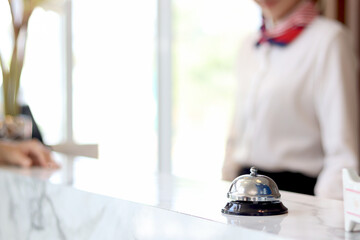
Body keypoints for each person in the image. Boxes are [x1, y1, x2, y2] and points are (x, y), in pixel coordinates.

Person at [222, 0, 359, 200]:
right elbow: (237, 130)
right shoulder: (249, 44)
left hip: (297, 195)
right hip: (243, 191)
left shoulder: (329, 39)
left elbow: (343, 153)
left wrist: (325, 217)